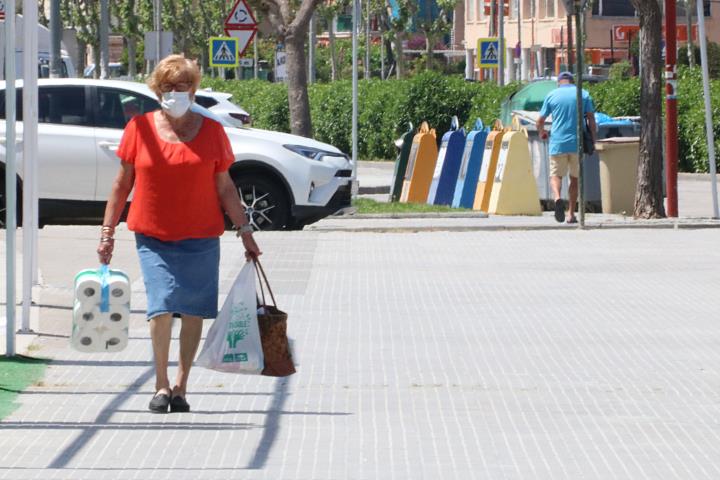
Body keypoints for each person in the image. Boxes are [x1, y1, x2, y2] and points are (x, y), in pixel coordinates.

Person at [97, 54, 261, 414]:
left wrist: (245, 231)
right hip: (153, 236)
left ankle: (181, 386)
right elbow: (122, 183)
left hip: (201, 236)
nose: (176, 93)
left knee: (192, 311)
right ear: (157, 90)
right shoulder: (139, 129)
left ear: (193, 89)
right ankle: (159, 383)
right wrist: (107, 232)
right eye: (168, 87)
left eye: (183, 86)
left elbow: (226, 188)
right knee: (161, 304)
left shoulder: (213, 132)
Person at [536, 71, 597, 224]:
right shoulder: (583, 94)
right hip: (577, 142)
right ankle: (571, 214)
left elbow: (540, 121)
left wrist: (542, 132)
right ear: (572, 81)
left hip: (558, 142)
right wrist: (594, 140)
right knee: (574, 179)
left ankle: (557, 198)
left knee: (556, 175)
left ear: (559, 82)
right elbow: (591, 118)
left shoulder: (552, 95)